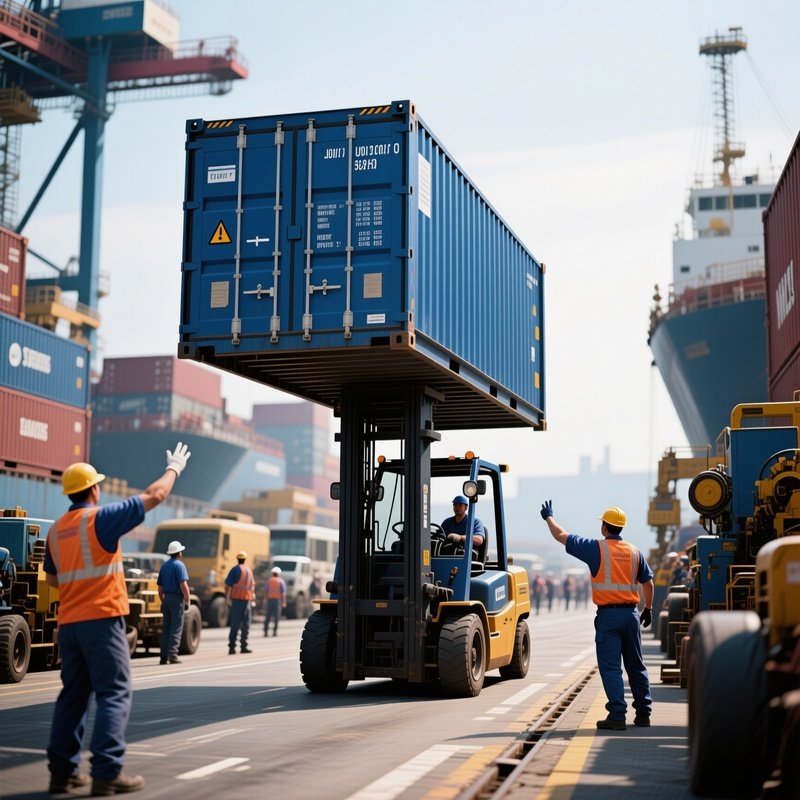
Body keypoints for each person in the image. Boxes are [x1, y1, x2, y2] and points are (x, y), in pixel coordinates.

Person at [44, 442, 191, 796]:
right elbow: (155, 495)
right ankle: (107, 771)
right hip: (102, 618)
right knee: (114, 692)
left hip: (69, 625)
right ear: (94, 489)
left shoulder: (55, 529)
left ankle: (62, 774)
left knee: (73, 696)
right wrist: (174, 469)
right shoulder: (101, 519)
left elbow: (52, 579)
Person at [540, 501, 653, 731]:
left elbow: (561, 535)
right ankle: (643, 714)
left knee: (611, 668)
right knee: (636, 666)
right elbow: (648, 582)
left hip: (609, 617)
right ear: (621, 528)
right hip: (631, 615)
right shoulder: (634, 551)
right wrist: (648, 609)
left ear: (604, 527)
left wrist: (548, 517)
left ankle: (617, 715)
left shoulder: (595, 549)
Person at [157, 540, 190, 665]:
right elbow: (183, 585)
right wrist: (188, 600)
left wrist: (163, 600)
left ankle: (163, 657)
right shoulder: (180, 565)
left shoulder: (164, 566)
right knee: (176, 628)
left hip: (166, 599)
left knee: (166, 629)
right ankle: (173, 655)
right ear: (179, 553)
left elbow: (159, 588)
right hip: (177, 600)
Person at [225, 550, 255, 654]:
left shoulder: (235, 570)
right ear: (245, 559)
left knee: (235, 625)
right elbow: (252, 587)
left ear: (238, 559)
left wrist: (227, 599)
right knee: (246, 625)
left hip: (237, 601)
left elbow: (228, 585)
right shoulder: (249, 570)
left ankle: (232, 647)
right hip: (247, 601)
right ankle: (244, 646)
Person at [264, 566, 287, 637]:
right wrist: (284, 602)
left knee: (268, 616)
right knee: (276, 617)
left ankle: (265, 632)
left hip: (270, 601)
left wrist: (265, 600)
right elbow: (283, 593)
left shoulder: (269, 581)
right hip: (277, 601)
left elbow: (266, 591)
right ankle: (274, 632)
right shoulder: (281, 581)